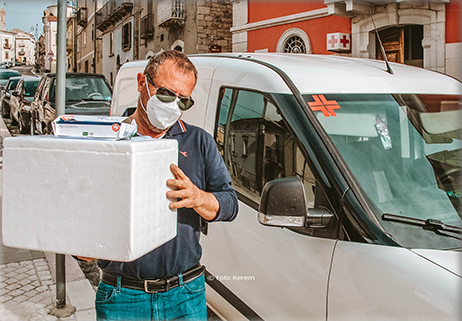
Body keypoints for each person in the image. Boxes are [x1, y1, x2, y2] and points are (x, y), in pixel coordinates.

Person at [80, 50, 238, 321]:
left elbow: (230, 204)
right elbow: (81, 210)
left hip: (185, 293)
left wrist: (198, 197)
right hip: (122, 295)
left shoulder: (199, 142)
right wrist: (82, 248)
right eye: (165, 94)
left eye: (183, 101)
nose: (172, 106)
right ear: (142, 83)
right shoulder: (107, 142)